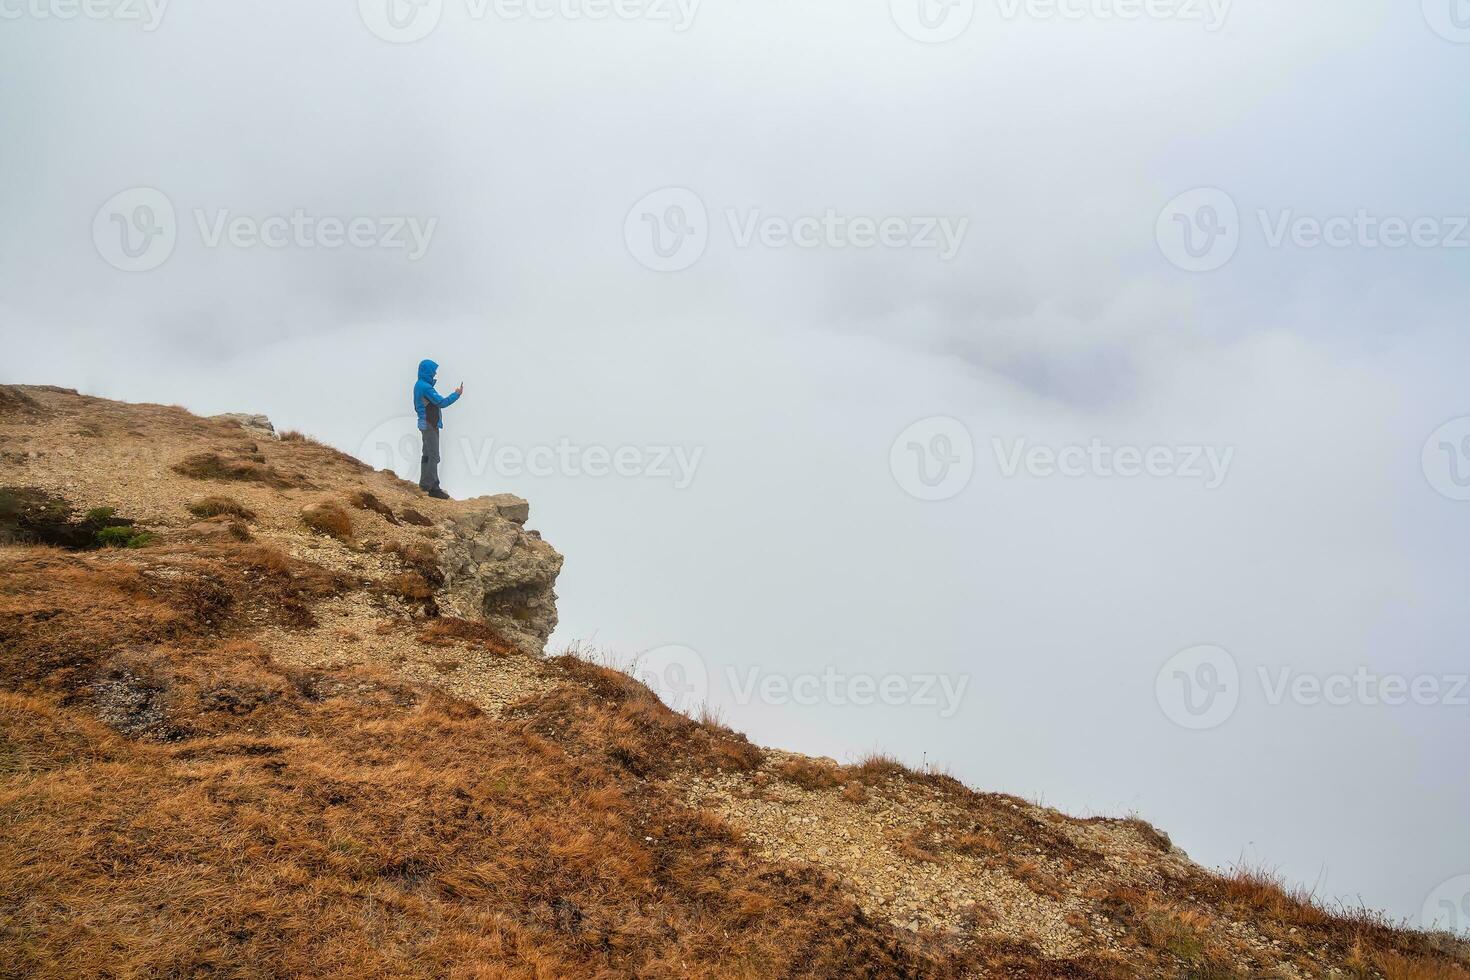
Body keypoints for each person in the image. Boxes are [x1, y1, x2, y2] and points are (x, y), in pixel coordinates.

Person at [413, 359, 463, 499]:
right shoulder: (426, 387)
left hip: (424, 423)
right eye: (433, 370)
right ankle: (433, 488)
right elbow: (441, 403)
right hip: (430, 425)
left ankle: (424, 484)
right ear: (427, 371)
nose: (435, 373)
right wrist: (457, 394)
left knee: (427, 454)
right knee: (434, 456)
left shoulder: (419, 385)